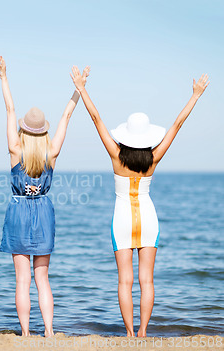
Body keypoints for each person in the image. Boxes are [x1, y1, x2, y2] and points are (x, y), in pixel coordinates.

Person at [70, 66, 209, 337]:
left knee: (125, 280)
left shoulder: (115, 155)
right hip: (148, 217)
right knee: (147, 280)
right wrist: (195, 96)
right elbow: (177, 126)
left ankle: (130, 334)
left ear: (126, 135)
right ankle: (144, 332)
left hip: (121, 218)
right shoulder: (154, 158)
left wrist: (82, 87)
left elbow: (96, 119)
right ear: (147, 137)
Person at [0, 56, 88, 337]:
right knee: (43, 279)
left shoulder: (15, 149)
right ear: (43, 131)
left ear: (24, 130)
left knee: (22, 280)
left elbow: (10, 108)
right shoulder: (51, 153)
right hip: (43, 213)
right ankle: (49, 331)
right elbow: (66, 117)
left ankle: (26, 333)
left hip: (18, 211)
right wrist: (78, 89)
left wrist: (3, 76)